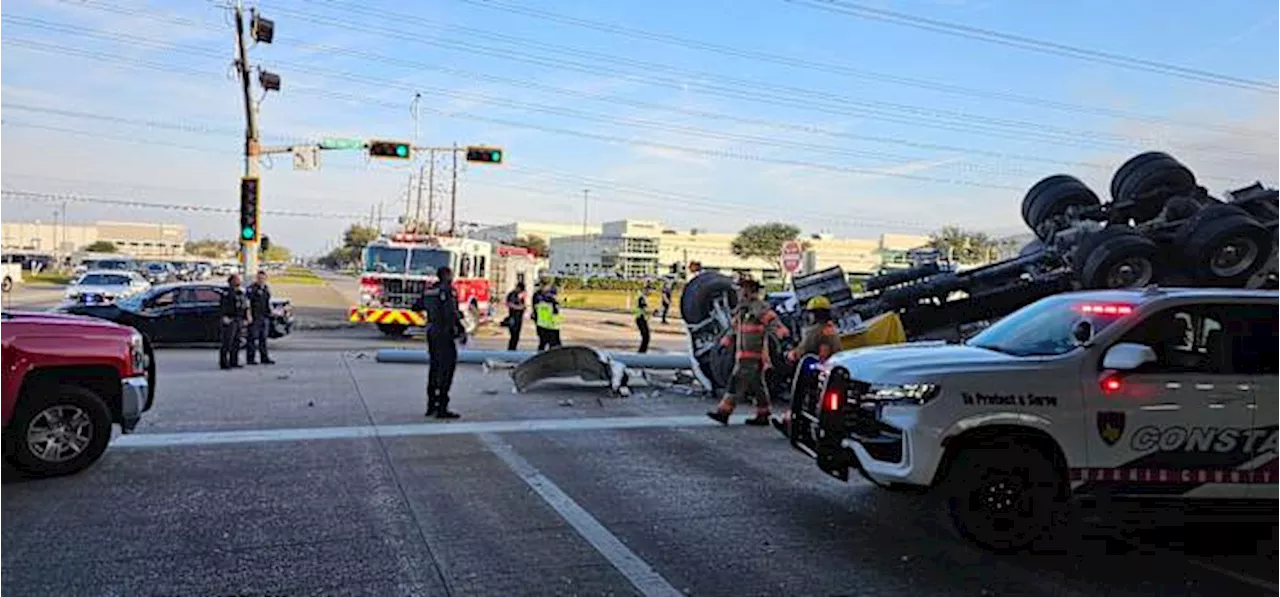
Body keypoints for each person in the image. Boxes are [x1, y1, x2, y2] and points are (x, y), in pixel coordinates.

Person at [707, 277, 790, 426]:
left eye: (742, 289)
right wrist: (727, 339)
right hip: (745, 355)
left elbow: (772, 321)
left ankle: (723, 412)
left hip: (751, 356)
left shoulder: (758, 307)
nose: (739, 292)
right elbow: (734, 328)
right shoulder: (742, 309)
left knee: (735, 382)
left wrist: (780, 331)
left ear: (750, 291)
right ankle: (763, 414)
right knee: (758, 385)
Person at [772, 296, 843, 432]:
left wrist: (789, 354)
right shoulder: (831, 328)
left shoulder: (814, 331)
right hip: (831, 369)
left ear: (814, 314)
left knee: (799, 392)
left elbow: (803, 351)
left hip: (817, 370)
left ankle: (792, 422)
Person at [413, 266, 466, 419]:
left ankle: (431, 405)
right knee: (447, 369)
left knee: (434, 368)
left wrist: (431, 313)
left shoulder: (430, 291)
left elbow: (416, 306)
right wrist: (460, 330)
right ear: (447, 276)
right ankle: (442, 407)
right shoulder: (448, 290)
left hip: (431, 332)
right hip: (444, 333)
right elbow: (451, 313)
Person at [218, 274, 249, 370]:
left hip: (238, 319)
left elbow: (244, 306)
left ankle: (234, 361)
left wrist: (246, 318)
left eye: (238, 280)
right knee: (227, 342)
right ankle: (224, 363)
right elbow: (222, 307)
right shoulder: (226, 294)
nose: (238, 281)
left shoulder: (240, 293)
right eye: (236, 280)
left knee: (237, 342)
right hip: (230, 319)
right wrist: (224, 317)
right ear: (231, 282)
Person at [244, 270, 275, 365]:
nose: (261, 280)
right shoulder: (251, 289)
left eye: (263, 278)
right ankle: (250, 359)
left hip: (264, 316)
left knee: (263, 339)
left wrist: (271, 312)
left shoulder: (266, 288)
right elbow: (247, 304)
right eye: (259, 278)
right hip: (254, 317)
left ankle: (264, 357)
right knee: (252, 339)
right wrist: (248, 316)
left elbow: (267, 302)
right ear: (256, 278)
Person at [533, 282, 563, 351]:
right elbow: (537, 307)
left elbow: (556, 307)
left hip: (552, 322)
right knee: (543, 340)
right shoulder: (538, 295)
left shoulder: (552, 294)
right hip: (543, 322)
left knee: (554, 341)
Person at [504, 282, 527, 351]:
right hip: (513, 317)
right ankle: (511, 349)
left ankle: (513, 348)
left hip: (519, 318)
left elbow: (523, 305)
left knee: (516, 336)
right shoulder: (512, 294)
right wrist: (519, 307)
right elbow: (509, 304)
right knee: (513, 335)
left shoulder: (520, 296)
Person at [635, 283, 652, 354]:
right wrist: (651, 312)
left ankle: (642, 351)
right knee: (646, 336)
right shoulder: (641, 298)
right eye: (649, 291)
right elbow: (644, 309)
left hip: (642, 319)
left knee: (646, 337)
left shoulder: (643, 297)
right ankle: (641, 352)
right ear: (646, 290)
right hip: (640, 318)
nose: (650, 293)